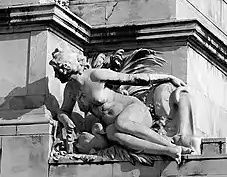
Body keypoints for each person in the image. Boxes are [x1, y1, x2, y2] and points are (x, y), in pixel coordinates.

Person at [49, 44, 194, 163]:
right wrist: (66, 120)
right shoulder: (71, 89)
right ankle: (170, 151)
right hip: (113, 125)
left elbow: (132, 78)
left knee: (121, 123)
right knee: (114, 134)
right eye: (59, 69)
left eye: (61, 68)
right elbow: (64, 111)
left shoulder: (95, 75)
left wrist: (167, 77)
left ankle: (169, 143)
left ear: (72, 65)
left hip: (134, 110)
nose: (59, 73)